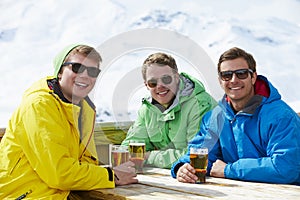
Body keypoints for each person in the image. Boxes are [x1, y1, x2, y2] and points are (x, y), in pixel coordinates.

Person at [0, 44, 138, 199]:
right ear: (60, 72)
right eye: (77, 68)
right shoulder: (39, 105)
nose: (85, 75)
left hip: (61, 192)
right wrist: (111, 175)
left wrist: (110, 173)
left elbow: (86, 160)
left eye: (92, 71)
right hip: (25, 194)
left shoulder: (83, 108)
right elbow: (58, 173)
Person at [171, 47, 300, 184]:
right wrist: (183, 168)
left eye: (241, 74)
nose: (233, 80)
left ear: (253, 77)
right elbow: (202, 152)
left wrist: (229, 170)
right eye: (227, 75)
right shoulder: (216, 117)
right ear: (220, 81)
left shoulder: (281, 117)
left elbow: (285, 168)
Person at [121, 52, 217, 169]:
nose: (160, 85)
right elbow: (130, 148)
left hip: (205, 176)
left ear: (176, 77)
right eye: (153, 83)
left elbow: (195, 155)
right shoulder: (147, 109)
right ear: (146, 85)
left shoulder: (199, 104)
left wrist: (149, 156)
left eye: (166, 79)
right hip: (167, 177)